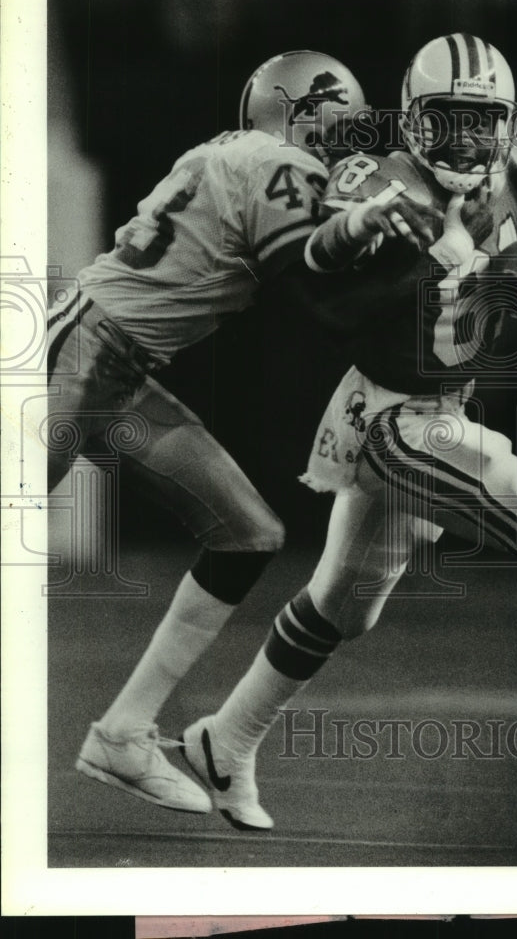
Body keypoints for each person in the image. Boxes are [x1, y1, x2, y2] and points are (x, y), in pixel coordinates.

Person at [179, 33, 517, 830]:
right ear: (412, 119)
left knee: (344, 609)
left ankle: (226, 738)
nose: (462, 139)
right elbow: (331, 296)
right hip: (391, 415)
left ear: (507, 123)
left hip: (439, 408)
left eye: (478, 121)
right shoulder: (371, 184)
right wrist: (442, 256)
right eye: (445, 120)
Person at [49, 50, 377, 813]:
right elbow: (323, 299)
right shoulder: (277, 166)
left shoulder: (238, 153)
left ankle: (123, 734)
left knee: (246, 532)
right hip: (79, 354)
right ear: (300, 111)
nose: (345, 137)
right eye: (337, 117)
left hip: (119, 370)